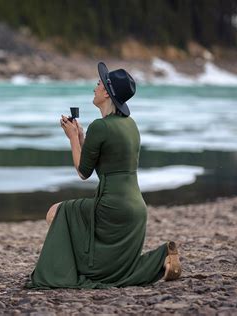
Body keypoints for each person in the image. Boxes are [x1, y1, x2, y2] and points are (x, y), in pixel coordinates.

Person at [27, 62, 182, 288]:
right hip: (136, 209)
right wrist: (81, 139)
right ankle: (163, 257)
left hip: (112, 207)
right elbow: (105, 161)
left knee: (55, 213)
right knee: (119, 271)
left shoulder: (100, 126)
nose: (95, 87)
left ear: (107, 93)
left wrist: (71, 138)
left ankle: (71, 267)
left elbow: (83, 171)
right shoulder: (130, 125)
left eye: (99, 83)